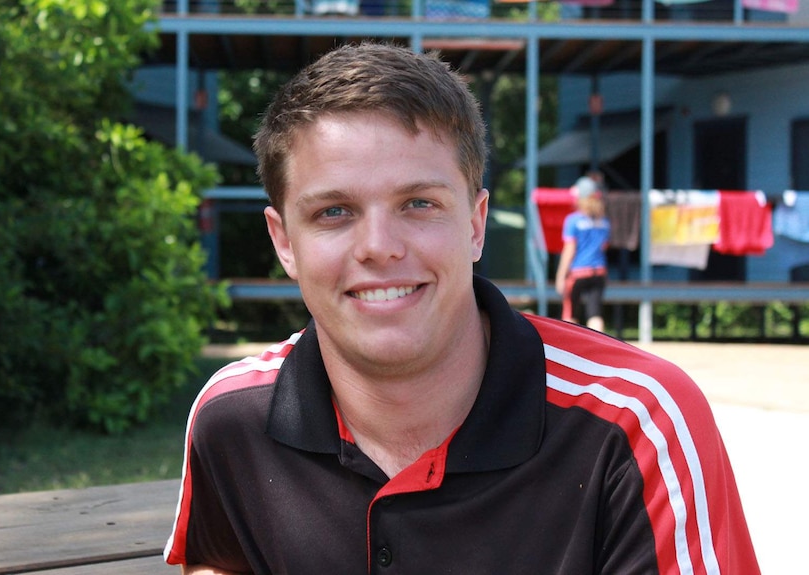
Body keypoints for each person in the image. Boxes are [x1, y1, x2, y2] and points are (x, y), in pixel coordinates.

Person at [164, 42, 760, 574]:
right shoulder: (231, 422)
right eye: (334, 212)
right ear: (284, 242)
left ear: (475, 226)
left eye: (418, 203)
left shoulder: (638, 422)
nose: (379, 247)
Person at [555, 174, 611, 332]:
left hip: (578, 273)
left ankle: (569, 350)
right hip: (599, 272)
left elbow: (569, 250)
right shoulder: (604, 221)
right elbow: (604, 246)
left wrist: (561, 276)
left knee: (570, 313)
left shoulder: (573, 220)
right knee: (595, 314)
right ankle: (599, 350)